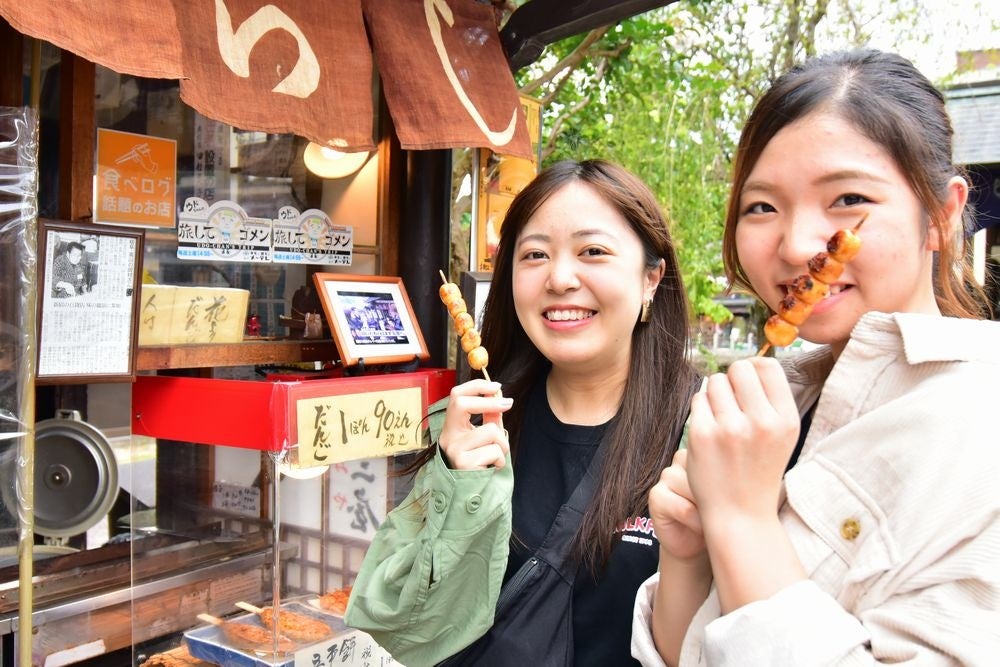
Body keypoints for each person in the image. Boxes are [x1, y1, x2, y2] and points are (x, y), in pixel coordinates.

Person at [632, 49, 1000, 666]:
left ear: (941, 216)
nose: (798, 244)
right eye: (762, 207)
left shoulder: (982, 420)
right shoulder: (781, 398)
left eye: (849, 198)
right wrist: (688, 555)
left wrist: (743, 522)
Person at [346, 160, 699, 666]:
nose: (559, 278)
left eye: (592, 251)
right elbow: (404, 630)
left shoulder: (703, 431)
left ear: (651, 279)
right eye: (535, 254)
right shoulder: (472, 423)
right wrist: (457, 488)